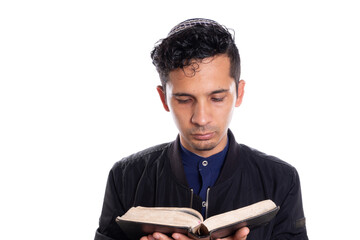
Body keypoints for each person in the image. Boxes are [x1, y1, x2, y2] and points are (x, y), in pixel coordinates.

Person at [94, 18, 308, 240]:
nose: (201, 118)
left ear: (239, 93)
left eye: (217, 98)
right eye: (185, 99)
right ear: (164, 98)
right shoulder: (125, 177)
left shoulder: (281, 179)